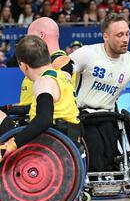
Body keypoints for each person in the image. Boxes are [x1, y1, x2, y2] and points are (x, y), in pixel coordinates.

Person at [70, 13, 130, 172]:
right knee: (95, 152)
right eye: (119, 35)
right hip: (82, 116)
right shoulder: (87, 53)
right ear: (106, 36)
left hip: (108, 116)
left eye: (127, 34)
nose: (125, 39)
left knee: (110, 156)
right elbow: (61, 69)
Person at [0, 35, 81, 163]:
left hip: (50, 143)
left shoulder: (43, 82)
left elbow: (44, 120)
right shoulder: (61, 76)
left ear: (23, 66)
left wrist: (12, 145)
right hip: (70, 137)